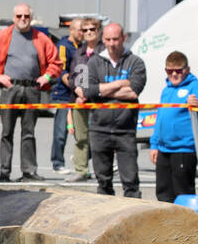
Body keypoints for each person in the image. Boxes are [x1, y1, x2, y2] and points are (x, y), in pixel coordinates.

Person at [0, 4, 61, 182]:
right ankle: (5, 171)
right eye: (19, 16)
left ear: (31, 18)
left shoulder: (41, 38)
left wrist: (46, 77)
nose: (22, 19)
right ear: (14, 17)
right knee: (7, 132)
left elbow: (56, 62)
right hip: (10, 89)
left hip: (32, 88)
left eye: (26, 16)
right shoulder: (2, 36)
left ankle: (29, 171)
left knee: (29, 132)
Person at [81, 22, 147, 198]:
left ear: (123, 38)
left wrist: (103, 90)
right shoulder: (94, 62)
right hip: (99, 128)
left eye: (116, 39)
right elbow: (89, 91)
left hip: (125, 129)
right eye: (108, 39)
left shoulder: (135, 62)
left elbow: (133, 92)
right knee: (103, 182)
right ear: (103, 39)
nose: (112, 44)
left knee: (130, 181)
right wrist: (119, 84)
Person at [150, 51, 198, 203]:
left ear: (186, 70)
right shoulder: (166, 90)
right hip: (164, 149)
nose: (174, 74)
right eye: (170, 71)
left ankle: (185, 226)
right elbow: (160, 119)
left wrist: (196, 106)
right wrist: (154, 144)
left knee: (183, 193)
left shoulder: (195, 88)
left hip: (184, 149)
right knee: (163, 192)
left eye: (178, 71)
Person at [64, 18, 101, 183]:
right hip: (78, 100)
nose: (88, 32)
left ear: (99, 30)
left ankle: (102, 171)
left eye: (92, 29)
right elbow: (72, 77)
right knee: (81, 137)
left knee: (100, 137)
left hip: (98, 100)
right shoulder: (78, 52)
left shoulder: (104, 51)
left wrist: (89, 92)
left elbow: (106, 76)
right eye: (85, 30)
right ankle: (81, 170)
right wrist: (77, 90)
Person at [49, 19, 85, 174]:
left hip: (80, 95)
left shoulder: (84, 47)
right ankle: (57, 163)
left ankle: (80, 158)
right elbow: (62, 72)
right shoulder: (63, 46)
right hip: (64, 94)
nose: (82, 33)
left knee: (84, 131)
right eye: (79, 30)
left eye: (84, 30)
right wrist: (75, 87)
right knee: (61, 131)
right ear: (71, 30)